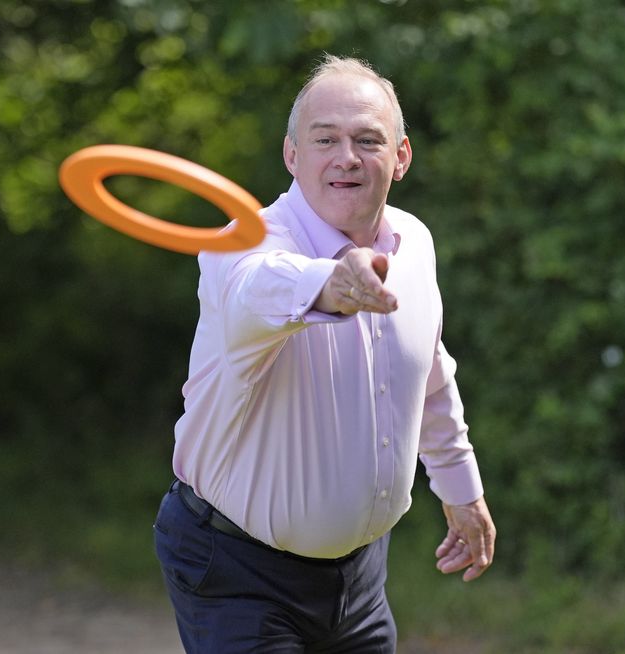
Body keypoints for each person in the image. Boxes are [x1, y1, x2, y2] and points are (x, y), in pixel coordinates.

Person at [153, 54, 495, 653]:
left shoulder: (414, 242)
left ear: (401, 156)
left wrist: (461, 489)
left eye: (368, 140)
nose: (347, 157)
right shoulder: (241, 246)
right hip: (236, 572)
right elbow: (261, 287)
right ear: (292, 155)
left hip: (361, 580)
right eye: (325, 139)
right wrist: (332, 282)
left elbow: (430, 374)